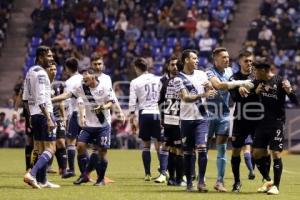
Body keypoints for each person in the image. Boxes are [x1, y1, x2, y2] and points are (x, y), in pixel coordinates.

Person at [52, 68, 114, 186]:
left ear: (93, 77)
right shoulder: (82, 87)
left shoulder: (105, 87)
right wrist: (52, 99)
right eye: (83, 80)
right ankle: (84, 175)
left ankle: (100, 180)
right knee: (80, 146)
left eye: (86, 80)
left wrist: (103, 107)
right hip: (89, 124)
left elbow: (111, 102)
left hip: (103, 124)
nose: (84, 82)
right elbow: (68, 95)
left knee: (102, 152)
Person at [206, 47, 254, 192]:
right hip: (209, 114)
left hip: (224, 115)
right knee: (203, 149)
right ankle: (198, 178)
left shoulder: (230, 72)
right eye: (223, 57)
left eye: (227, 57)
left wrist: (239, 87)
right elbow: (219, 86)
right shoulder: (208, 72)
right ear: (216, 60)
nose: (227, 59)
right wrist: (240, 84)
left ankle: (219, 182)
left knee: (222, 149)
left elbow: (234, 85)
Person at [252, 61, 298, 195]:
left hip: (277, 122)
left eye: (256, 71)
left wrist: (290, 91)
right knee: (256, 154)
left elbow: (295, 101)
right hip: (262, 122)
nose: (254, 73)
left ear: (264, 70)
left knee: (275, 152)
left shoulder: (280, 81)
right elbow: (249, 95)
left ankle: (276, 186)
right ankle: (269, 180)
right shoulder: (258, 82)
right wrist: (254, 92)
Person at [174, 49, 217, 192]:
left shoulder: (201, 74)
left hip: (201, 118)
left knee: (202, 148)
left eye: (197, 58)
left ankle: (201, 181)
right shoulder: (178, 78)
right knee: (188, 152)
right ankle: (189, 183)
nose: (197, 61)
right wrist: (204, 94)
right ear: (186, 60)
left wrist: (210, 88)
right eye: (194, 58)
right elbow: (185, 97)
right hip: (186, 119)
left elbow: (209, 86)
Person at [23, 45, 60, 189]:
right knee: (51, 148)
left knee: (39, 148)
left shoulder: (30, 72)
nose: (51, 59)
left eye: (52, 56)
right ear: (40, 57)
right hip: (45, 114)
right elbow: (42, 98)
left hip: (34, 115)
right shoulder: (42, 74)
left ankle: (42, 181)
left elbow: (25, 98)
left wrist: (29, 116)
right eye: (49, 56)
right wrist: (49, 118)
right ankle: (31, 174)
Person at [229, 50, 259, 192]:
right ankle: (236, 182)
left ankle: (267, 179)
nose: (249, 64)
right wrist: (239, 86)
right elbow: (234, 97)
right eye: (246, 61)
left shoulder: (258, 76)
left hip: (258, 118)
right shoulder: (234, 77)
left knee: (261, 150)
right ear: (240, 62)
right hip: (240, 119)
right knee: (235, 151)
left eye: (251, 61)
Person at [128, 57, 162, 181]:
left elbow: (132, 102)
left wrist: (132, 119)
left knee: (146, 145)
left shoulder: (135, 82)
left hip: (145, 113)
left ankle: (147, 174)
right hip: (157, 113)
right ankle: (163, 172)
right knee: (160, 144)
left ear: (137, 68)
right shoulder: (158, 79)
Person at [157, 55, 185, 185]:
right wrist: (162, 117)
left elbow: (161, 102)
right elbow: (161, 102)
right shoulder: (178, 82)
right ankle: (179, 179)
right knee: (178, 150)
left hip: (170, 120)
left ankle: (172, 178)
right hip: (176, 120)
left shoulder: (168, 82)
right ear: (168, 66)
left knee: (172, 149)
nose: (175, 68)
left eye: (176, 65)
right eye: (172, 65)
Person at [46, 62, 72, 178]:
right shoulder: (43, 84)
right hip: (46, 116)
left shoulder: (58, 85)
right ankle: (42, 167)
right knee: (49, 144)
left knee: (61, 142)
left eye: (55, 69)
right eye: (51, 69)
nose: (54, 71)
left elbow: (61, 101)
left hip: (58, 116)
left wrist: (64, 117)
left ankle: (63, 170)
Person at [64, 57, 83, 177]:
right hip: (86, 113)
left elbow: (66, 101)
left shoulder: (69, 82)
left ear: (67, 68)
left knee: (71, 142)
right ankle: (86, 172)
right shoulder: (83, 78)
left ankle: (71, 169)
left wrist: (66, 117)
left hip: (74, 113)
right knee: (84, 143)